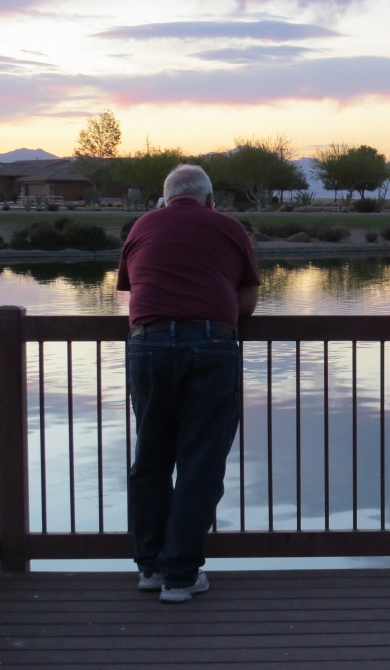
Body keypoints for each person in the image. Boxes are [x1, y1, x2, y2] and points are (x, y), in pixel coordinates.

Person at [116, 164, 260, 604]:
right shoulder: (227, 227)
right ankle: (179, 576)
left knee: (151, 457)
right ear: (209, 198)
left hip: (148, 344)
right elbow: (248, 302)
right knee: (200, 460)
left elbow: (129, 289)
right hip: (211, 344)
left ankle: (150, 566)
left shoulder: (142, 225)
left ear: (164, 197)